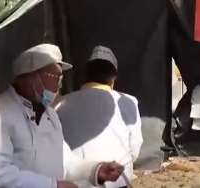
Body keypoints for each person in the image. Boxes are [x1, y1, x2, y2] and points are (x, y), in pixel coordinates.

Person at [0, 43, 124, 188]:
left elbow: (66, 164)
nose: (59, 85)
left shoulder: (50, 115)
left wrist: (96, 170)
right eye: (57, 77)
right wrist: (52, 185)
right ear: (33, 77)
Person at [56, 46, 142, 188]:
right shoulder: (128, 102)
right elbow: (134, 150)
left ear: (86, 76)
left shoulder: (61, 103)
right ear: (113, 79)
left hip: (77, 182)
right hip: (116, 181)